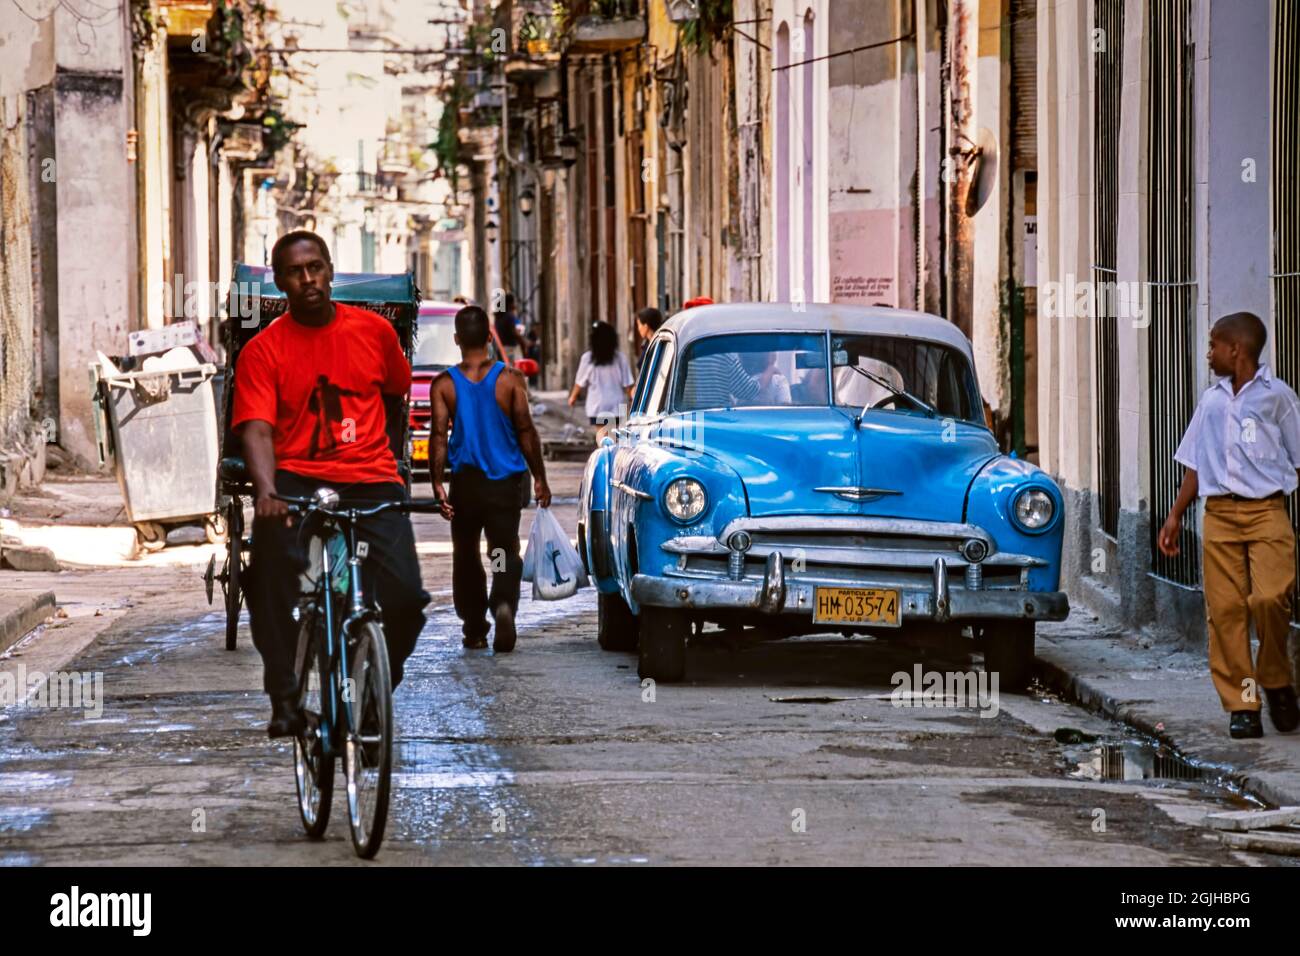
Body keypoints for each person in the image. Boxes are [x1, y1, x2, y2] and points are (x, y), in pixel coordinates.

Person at [233, 230, 430, 738]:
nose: (309, 279)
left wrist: (384, 460)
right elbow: (256, 427)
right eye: (296, 273)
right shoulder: (263, 350)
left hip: (370, 478)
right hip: (295, 479)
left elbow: (393, 399)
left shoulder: (374, 333)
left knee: (407, 598)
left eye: (316, 267)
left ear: (330, 270)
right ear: (281, 283)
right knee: (270, 574)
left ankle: (374, 685)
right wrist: (266, 491)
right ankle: (284, 692)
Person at [1158, 311, 1300, 739]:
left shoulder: (1279, 398)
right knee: (1225, 612)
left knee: (1270, 598)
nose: (1208, 354)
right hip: (1219, 514)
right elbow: (1196, 465)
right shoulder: (1212, 401)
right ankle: (1244, 703)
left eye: (1213, 345)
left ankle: (1275, 677)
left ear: (1235, 349)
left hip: (1267, 512)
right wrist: (1176, 514)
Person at [430, 305, 552, 652]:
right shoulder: (510, 380)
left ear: (456, 340)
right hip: (504, 486)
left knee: (466, 554)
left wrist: (438, 484)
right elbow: (526, 431)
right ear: (488, 337)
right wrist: (539, 477)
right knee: (503, 550)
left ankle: (474, 626)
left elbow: (438, 437)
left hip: (465, 487)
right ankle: (502, 604)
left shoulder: (444, 385)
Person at [568, 321, 635, 439]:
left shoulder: (587, 358)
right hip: (618, 404)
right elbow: (628, 384)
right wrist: (633, 400)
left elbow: (580, 382)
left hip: (597, 405)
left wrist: (573, 397)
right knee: (617, 438)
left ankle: (605, 454)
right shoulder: (620, 358)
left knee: (602, 437)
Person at [494, 292, 524, 364]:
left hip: (501, 349)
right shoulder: (509, 315)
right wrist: (523, 343)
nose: (515, 305)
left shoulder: (498, 317)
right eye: (513, 302)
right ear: (509, 304)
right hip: (511, 349)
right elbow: (514, 332)